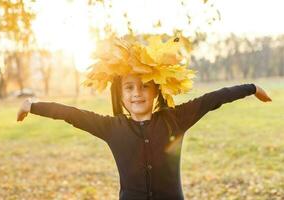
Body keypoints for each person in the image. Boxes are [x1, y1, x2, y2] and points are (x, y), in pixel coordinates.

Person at [17, 35, 272, 200]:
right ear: (121, 94)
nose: (137, 93)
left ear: (155, 91)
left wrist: (251, 88)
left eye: (144, 86)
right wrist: (32, 105)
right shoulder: (111, 127)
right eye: (129, 87)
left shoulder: (175, 119)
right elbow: (71, 114)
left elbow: (213, 99)